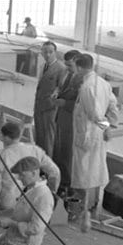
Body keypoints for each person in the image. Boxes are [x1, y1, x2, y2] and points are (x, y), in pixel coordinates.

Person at [71, 54, 118, 220]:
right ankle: (93, 205)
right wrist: (112, 124)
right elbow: (113, 105)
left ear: (79, 67)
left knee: (84, 172)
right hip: (96, 135)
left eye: (75, 67)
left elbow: (95, 114)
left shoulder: (87, 88)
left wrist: (106, 127)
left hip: (88, 135)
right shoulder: (103, 84)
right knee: (96, 169)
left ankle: (84, 208)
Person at [0, 122, 60, 212]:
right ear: (19, 135)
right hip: (33, 204)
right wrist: (51, 192)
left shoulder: (2, 156)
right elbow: (55, 172)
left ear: (5, 137)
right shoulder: (35, 150)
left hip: (9, 206)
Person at [51, 50, 82, 195]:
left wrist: (65, 103)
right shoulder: (67, 74)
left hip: (71, 122)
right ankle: (59, 181)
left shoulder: (83, 81)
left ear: (78, 61)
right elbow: (61, 88)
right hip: (61, 119)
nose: (68, 68)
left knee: (67, 155)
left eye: (70, 65)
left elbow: (83, 106)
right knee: (59, 151)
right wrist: (56, 92)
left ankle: (67, 185)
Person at [34, 41, 66, 156]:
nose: (47, 54)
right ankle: (40, 163)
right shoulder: (43, 66)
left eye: (50, 52)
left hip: (50, 109)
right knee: (39, 136)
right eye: (45, 52)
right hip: (39, 106)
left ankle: (48, 166)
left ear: (55, 53)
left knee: (48, 138)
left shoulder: (61, 68)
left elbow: (61, 88)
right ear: (41, 53)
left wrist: (55, 95)